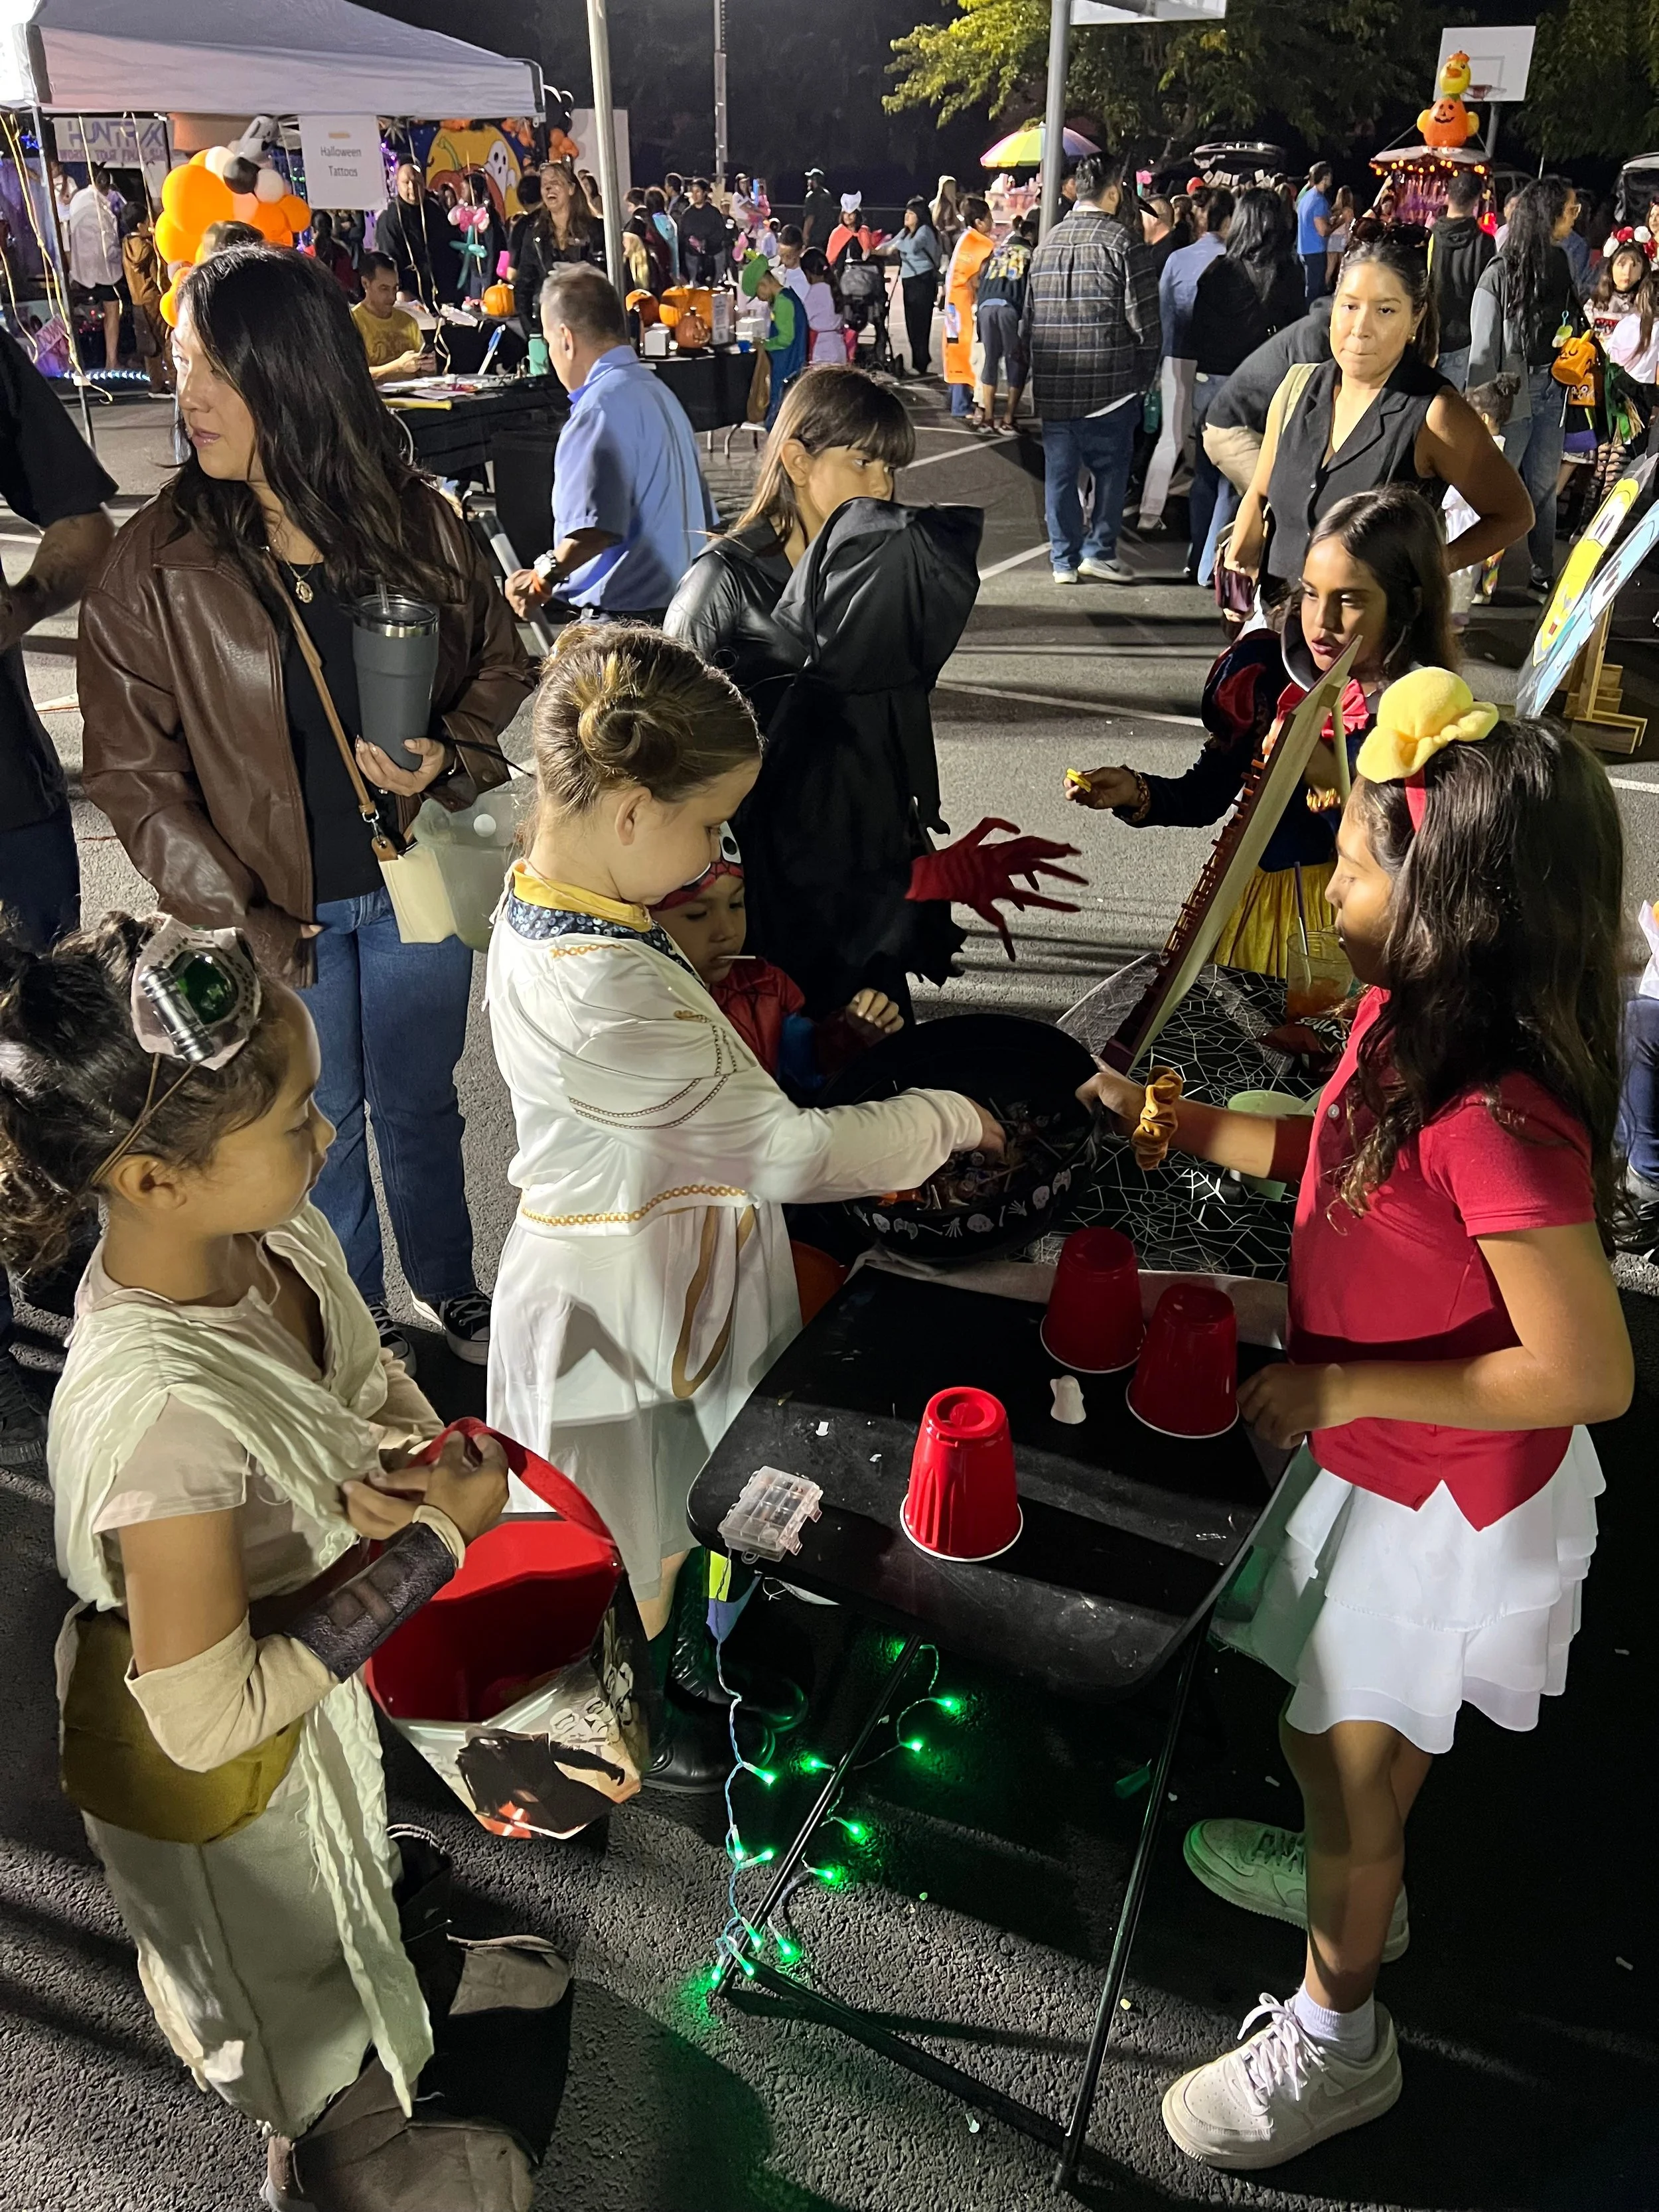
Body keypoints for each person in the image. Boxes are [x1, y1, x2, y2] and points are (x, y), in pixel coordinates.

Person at [1086, 678, 1630, 2168]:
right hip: (1394, 1472)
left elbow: (1586, 1368)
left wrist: (1343, 1385)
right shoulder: (1405, 1026)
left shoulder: (1494, 1112)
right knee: (1355, 1737)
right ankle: (1363, 1867)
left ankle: (1340, 2036)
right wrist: (1191, 1124)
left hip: (1430, 1497)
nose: (1328, 885)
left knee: (1328, 1744)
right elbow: (1328, 1161)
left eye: (1357, 861)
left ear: (1455, 903)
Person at [0, 912, 526, 2206]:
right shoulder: (164, 1425)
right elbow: (204, 1716)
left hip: (310, 1702)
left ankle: (414, 1969)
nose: (329, 1135)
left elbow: (354, 1372)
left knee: (358, 1868)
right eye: (297, 1120)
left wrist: (403, 1439)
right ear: (158, 1182)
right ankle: (351, 2157)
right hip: (230, 1788)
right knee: (289, 1967)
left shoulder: (274, 1240)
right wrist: (439, 1539)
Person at [484, 625, 999, 1783]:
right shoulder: (602, 986)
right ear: (628, 812)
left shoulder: (567, 901)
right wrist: (955, 1116)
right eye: (708, 821)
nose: (719, 849)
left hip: (661, 1267)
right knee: (629, 1525)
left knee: (682, 1496)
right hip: (612, 1312)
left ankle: (678, 1674)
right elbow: (785, 1149)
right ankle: (632, 1728)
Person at [77, 248, 532, 1371]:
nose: (189, 401)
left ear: (294, 372)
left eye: (216, 371)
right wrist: (238, 914)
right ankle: (351, 1311)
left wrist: (450, 757)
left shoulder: (414, 517)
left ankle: (449, 1287)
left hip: (415, 873)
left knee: (423, 1104)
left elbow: (500, 660)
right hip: (281, 915)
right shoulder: (157, 563)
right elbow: (135, 777)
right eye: (182, 366)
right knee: (309, 1135)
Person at [666, 365, 1082, 1015]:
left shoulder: (871, 575)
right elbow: (678, 783)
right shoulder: (721, 588)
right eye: (863, 462)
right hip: (763, 926)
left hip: (870, 908)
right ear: (797, 460)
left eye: (892, 469)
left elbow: (876, 756)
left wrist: (915, 878)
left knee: (882, 1084)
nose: (882, 487)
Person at [1069, 482, 1454, 975]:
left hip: (1351, 941)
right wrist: (1134, 791)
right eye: (1312, 595)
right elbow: (1209, 795)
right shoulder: (1270, 676)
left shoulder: (1425, 717)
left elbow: (1419, 872)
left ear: (1408, 603)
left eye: (1351, 600)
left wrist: (1332, 783)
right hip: (1248, 917)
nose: (1321, 622)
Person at [0, 328, 115, 1467]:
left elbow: (83, 529)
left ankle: (71, 1315)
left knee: (43, 1059)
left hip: (8, 802)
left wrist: (26, 599)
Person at [1231, 230, 1533, 605]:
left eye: (1385, 310)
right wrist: (1247, 530)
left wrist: (1431, 567)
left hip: (1369, 652)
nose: (1361, 328)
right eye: (1350, 306)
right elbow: (1261, 490)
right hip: (1277, 636)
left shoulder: (1435, 413)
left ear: (1415, 318)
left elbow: (1514, 514)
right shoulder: (1297, 388)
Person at [505, 266, 715, 628]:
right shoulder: (659, 393)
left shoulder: (598, 410)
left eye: (550, 343)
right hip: (681, 613)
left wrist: (543, 577)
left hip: (626, 627)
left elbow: (594, 530)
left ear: (566, 339)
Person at [650, 836, 903, 1092]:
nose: (727, 931)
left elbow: (805, 1063)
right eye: (698, 914)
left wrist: (851, 1033)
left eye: (736, 904)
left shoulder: (763, 989)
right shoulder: (629, 1005)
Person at [1025, 151, 1160, 585]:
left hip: (1055, 386)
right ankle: (1099, 549)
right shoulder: (1122, 243)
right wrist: (1144, 375)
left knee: (1060, 477)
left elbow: (1029, 322)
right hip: (1110, 383)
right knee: (1111, 470)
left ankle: (1063, 560)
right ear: (1114, 193)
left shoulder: (1046, 244)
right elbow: (1146, 323)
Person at [1469, 176, 1581, 598]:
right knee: (1499, 487)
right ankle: (1480, 575)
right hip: (1510, 394)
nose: (1576, 217)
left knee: (1544, 487)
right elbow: (1483, 350)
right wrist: (1486, 410)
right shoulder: (1499, 273)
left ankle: (1541, 571)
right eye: (1570, 210)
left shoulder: (1560, 262)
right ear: (1547, 214)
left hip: (1553, 387)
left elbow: (1570, 320)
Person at [1141, 186, 1233, 532]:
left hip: (1176, 355)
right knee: (1215, 444)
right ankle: (1210, 525)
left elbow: (1162, 312)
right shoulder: (1232, 260)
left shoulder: (1178, 258)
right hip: (1218, 363)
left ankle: (1150, 513)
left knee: (1172, 438)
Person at [514, 163, 607, 326]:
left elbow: (605, 281)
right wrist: (532, 332)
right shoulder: (535, 234)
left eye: (555, 182)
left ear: (571, 189)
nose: (549, 187)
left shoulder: (597, 230)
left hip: (589, 324)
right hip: (551, 327)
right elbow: (524, 285)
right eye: (545, 184)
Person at [1427, 170, 1494, 392]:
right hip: (1463, 340)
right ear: (1476, 201)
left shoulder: (1428, 238)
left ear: (1447, 197)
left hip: (1428, 337)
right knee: (1448, 409)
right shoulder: (1484, 242)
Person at [973, 216, 1034, 432]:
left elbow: (979, 277)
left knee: (991, 359)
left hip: (985, 305)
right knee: (1016, 360)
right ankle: (1008, 420)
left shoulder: (998, 252)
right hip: (1009, 307)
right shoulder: (1031, 256)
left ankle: (987, 418)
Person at [64, 163, 125, 372]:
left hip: (80, 270)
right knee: (113, 307)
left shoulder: (79, 198)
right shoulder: (101, 207)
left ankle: (74, 362)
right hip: (102, 270)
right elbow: (109, 246)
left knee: (71, 314)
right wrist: (121, 256)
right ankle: (112, 361)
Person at [373, 162, 458, 309]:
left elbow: (447, 248)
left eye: (417, 182)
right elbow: (389, 259)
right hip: (409, 295)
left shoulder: (434, 209)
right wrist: (400, 290)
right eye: (406, 183)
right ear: (397, 185)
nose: (412, 188)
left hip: (442, 292)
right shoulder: (390, 217)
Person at [942, 196, 995, 418]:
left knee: (953, 349)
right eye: (989, 218)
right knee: (967, 352)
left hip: (953, 303)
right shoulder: (983, 244)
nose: (992, 223)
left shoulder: (964, 239)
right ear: (980, 222)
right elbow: (978, 279)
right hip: (966, 304)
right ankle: (961, 405)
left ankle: (954, 399)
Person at [349, 252, 434, 382]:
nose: (392, 297)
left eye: (395, 288)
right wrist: (397, 367)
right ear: (365, 284)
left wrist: (427, 368)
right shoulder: (353, 322)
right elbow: (354, 374)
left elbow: (426, 375)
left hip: (416, 397)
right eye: (384, 289)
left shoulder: (408, 321)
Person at [883, 197, 943, 375]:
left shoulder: (924, 232)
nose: (906, 217)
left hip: (923, 280)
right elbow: (889, 245)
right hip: (909, 281)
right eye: (906, 213)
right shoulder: (906, 232)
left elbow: (911, 247)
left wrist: (894, 247)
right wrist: (872, 249)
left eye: (911, 214)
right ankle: (919, 360)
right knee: (911, 323)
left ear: (919, 216)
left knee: (921, 324)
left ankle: (921, 363)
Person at [119, 204, 173, 397]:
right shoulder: (149, 248)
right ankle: (176, 383)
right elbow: (160, 275)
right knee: (167, 339)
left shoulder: (126, 244)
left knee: (150, 346)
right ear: (141, 225)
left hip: (137, 301)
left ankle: (157, 385)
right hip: (154, 299)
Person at [450, 171, 504, 303]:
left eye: (464, 189)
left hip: (486, 271)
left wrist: (491, 276)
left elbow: (492, 248)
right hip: (473, 271)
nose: (461, 192)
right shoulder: (467, 215)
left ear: (474, 192)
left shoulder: (487, 215)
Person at [676, 178, 731, 287]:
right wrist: (691, 243)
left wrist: (705, 244)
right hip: (692, 257)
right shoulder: (687, 214)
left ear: (705, 193)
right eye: (693, 192)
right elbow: (682, 234)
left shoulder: (713, 213)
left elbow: (720, 233)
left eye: (698, 192)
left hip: (713, 256)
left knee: (714, 288)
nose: (695, 195)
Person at [798, 247, 845, 365]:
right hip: (839, 345)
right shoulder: (833, 287)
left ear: (807, 273)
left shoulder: (814, 293)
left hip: (823, 349)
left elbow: (803, 319)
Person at [1297, 161, 1334, 302]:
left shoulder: (1306, 197)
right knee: (1315, 292)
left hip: (1303, 250)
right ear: (1325, 177)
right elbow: (1323, 231)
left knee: (1309, 288)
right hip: (1315, 252)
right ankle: (1312, 320)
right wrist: (1341, 221)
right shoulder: (1319, 200)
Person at [309, 210, 360, 299]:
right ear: (331, 228)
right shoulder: (343, 251)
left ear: (313, 230)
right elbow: (351, 282)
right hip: (341, 301)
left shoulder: (307, 254)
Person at [1324, 186, 1355, 289]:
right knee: (1340, 267)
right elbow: (1349, 227)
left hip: (1333, 238)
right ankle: (1339, 288)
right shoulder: (1348, 211)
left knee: (1330, 267)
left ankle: (1324, 287)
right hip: (1341, 238)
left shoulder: (1334, 210)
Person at [930, 175, 964, 267]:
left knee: (961, 238)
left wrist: (954, 207)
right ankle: (948, 262)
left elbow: (959, 222)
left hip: (954, 231)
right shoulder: (934, 205)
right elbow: (935, 223)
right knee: (945, 238)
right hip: (941, 233)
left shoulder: (957, 203)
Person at [801, 167, 837, 251]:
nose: (808, 182)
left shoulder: (811, 196)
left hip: (814, 236)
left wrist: (805, 236)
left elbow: (810, 218)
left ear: (814, 180)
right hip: (827, 236)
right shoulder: (827, 195)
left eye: (810, 179)